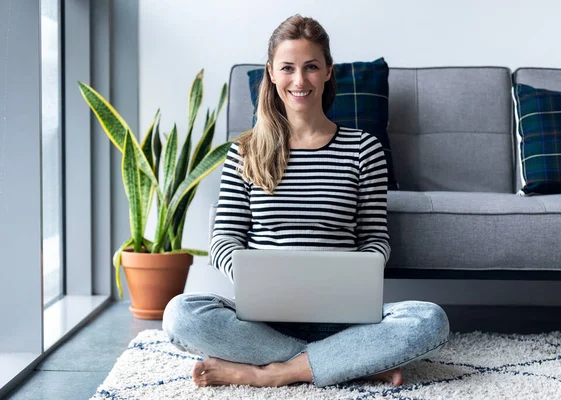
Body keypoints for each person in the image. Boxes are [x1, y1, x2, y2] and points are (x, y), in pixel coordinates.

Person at [162, 14, 449, 389]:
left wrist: (359, 270)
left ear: (328, 71)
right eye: (288, 68)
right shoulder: (245, 151)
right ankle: (348, 361)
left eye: (311, 67)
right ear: (271, 73)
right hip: (261, 319)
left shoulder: (363, 149)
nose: (299, 81)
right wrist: (256, 279)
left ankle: (274, 372)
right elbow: (224, 240)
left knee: (430, 319)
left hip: (342, 316)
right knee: (181, 314)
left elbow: (375, 239)